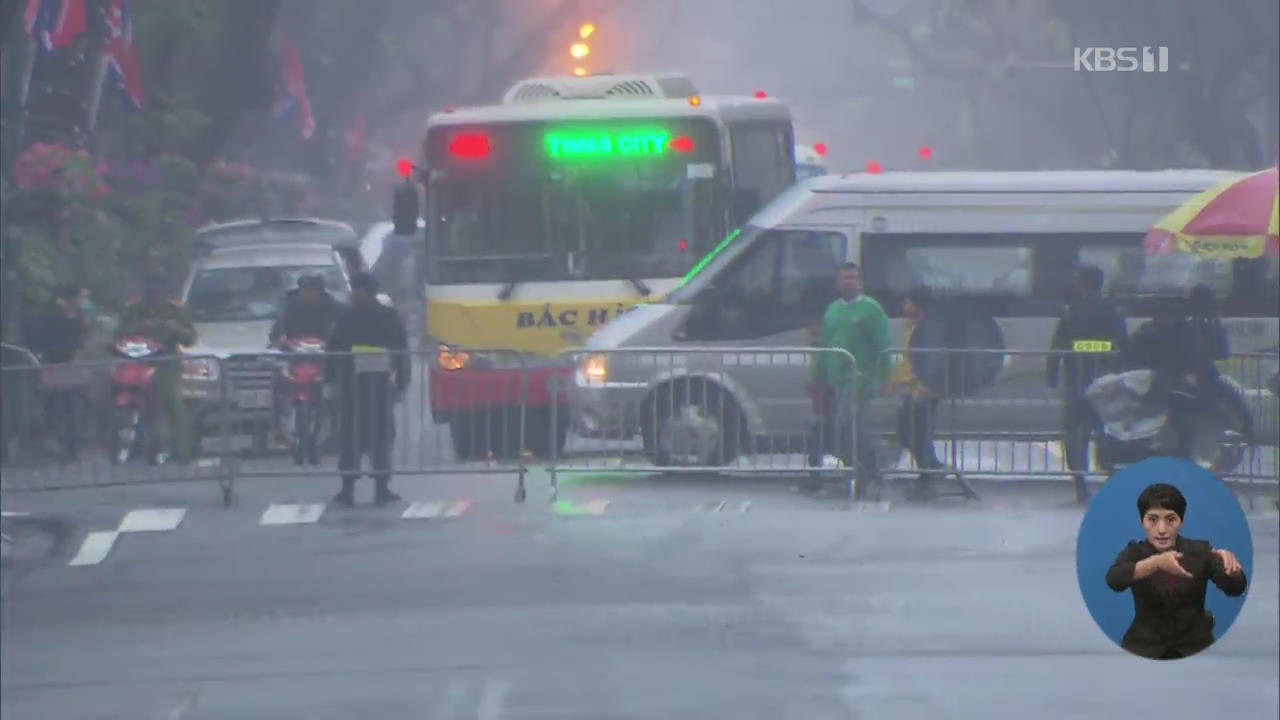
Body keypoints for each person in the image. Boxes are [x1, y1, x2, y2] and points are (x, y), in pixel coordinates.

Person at [1105, 482, 1247, 660]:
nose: (1162, 529)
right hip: (1144, 648)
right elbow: (1114, 580)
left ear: (1181, 521)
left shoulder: (1200, 550)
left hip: (1195, 648)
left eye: (1170, 519)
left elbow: (1235, 588)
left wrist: (1232, 571)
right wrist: (1157, 563)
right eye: (1153, 519)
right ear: (1142, 521)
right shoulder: (1134, 552)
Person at [325, 271, 410, 506]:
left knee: (377, 438)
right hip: (357, 387)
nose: (353, 292)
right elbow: (333, 351)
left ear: (367, 291)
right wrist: (330, 380)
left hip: (373, 387)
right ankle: (350, 488)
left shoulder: (382, 317)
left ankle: (378, 487)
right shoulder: (349, 316)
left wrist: (402, 381)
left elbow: (401, 352)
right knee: (355, 437)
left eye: (357, 288)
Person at [1047, 265, 1128, 502]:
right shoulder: (1113, 310)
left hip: (1080, 381)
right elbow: (1119, 345)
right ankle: (1111, 476)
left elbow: (1059, 344)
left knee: (1075, 433)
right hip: (1105, 380)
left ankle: (1080, 483)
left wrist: (1054, 369)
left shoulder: (1074, 310)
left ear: (1083, 283)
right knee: (1106, 430)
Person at [812, 263, 891, 498]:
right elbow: (825, 344)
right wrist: (818, 375)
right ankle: (866, 470)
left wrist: (885, 376)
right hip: (836, 378)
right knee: (844, 428)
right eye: (844, 278)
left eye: (852, 278)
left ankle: (863, 472)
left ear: (861, 283)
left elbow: (884, 345)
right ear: (837, 283)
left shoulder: (871, 310)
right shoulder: (833, 309)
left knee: (848, 425)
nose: (848, 282)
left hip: (860, 378)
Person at [116, 273, 199, 463]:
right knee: (139, 406)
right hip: (137, 362)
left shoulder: (174, 311)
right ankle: (140, 449)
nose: (154, 294)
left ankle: (182, 450)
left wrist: (175, 330)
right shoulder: (133, 310)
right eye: (150, 289)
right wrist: (138, 327)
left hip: (166, 363)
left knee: (172, 404)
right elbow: (118, 334)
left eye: (158, 289)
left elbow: (191, 339)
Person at [1124, 298, 1210, 459]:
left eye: (1168, 315)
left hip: (1179, 390)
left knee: (1182, 426)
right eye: (1161, 314)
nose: (1164, 319)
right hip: (1151, 389)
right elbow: (1131, 358)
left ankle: (1182, 458)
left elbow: (1196, 358)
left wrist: (1189, 375)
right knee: (1148, 428)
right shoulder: (1144, 333)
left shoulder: (1186, 333)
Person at [890, 285, 946, 498]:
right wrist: (895, 381)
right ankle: (930, 468)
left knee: (915, 431)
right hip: (913, 388)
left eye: (908, 301)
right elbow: (909, 360)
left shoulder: (929, 329)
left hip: (925, 391)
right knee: (910, 432)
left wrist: (923, 388)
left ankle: (930, 470)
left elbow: (931, 362)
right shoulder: (911, 325)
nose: (904, 306)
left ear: (917, 304)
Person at [27, 286, 89, 460]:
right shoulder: (53, 319)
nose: (79, 302)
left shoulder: (78, 320)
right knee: (53, 406)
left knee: (71, 407)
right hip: (54, 366)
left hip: (70, 367)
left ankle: (71, 447)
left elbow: (80, 343)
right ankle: (49, 442)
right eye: (77, 298)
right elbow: (45, 341)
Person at [1188, 285, 1254, 444]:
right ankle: (1247, 432)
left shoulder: (1205, 324)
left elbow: (1222, 353)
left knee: (1233, 400)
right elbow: (1221, 353)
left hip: (1202, 374)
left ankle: (1245, 431)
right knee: (1234, 401)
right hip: (1196, 374)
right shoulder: (1195, 325)